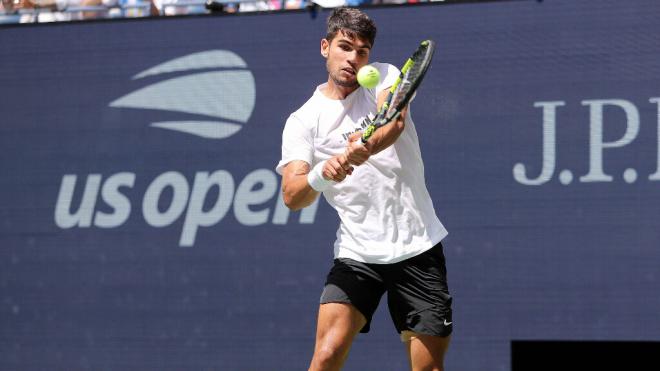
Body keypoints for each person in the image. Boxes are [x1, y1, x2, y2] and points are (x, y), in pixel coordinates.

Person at [275, 7, 452, 371]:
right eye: (345, 47)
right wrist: (324, 172)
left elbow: (394, 122)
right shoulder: (303, 121)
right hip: (357, 253)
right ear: (325, 47)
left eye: (362, 51)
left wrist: (364, 148)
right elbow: (292, 196)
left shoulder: (383, 76)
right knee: (325, 356)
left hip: (417, 246)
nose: (354, 59)